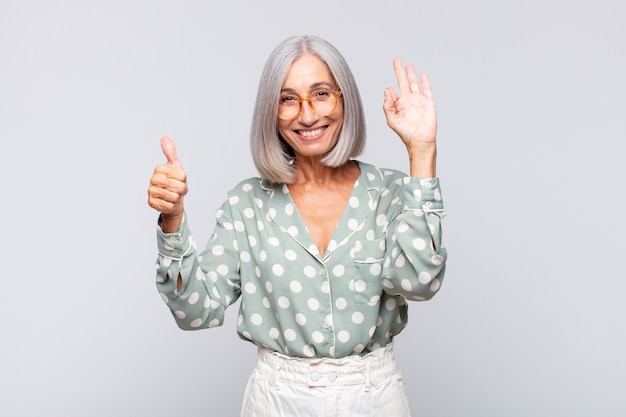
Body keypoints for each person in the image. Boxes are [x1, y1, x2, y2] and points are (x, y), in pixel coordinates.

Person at [148, 35, 447, 417]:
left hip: (374, 398)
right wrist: (172, 220)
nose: (307, 115)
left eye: (321, 94)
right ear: (270, 113)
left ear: (344, 99)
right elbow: (195, 311)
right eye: (288, 99)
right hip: (277, 401)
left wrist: (422, 153)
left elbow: (418, 283)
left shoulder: (388, 194)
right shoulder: (248, 204)